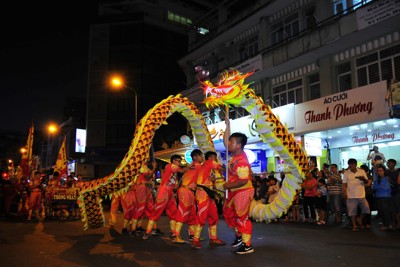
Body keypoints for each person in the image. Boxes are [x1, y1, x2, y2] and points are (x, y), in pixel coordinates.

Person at [221, 124, 255, 254]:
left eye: (231, 141)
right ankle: (240, 237)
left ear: (239, 145)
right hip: (234, 191)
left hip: (242, 190)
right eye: (229, 141)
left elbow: (243, 180)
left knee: (242, 217)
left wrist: (226, 185)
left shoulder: (241, 161)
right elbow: (233, 174)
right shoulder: (234, 157)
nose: (228, 143)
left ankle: (247, 245)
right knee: (230, 214)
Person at [142, 155, 188, 240]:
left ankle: (173, 233)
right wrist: (190, 166)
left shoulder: (173, 170)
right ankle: (147, 232)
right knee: (157, 212)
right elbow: (182, 170)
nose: (179, 163)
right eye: (178, 161)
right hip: (164, 191)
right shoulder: (171, 166)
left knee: (173, 212)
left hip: (169, 192)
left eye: (180, 161)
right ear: (173, 161)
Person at [192, 150, 226, 249]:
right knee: (201, 216)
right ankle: (195, 240)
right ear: (211, 158)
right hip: (203, 193)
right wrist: (232, 170)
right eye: (216, 158)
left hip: (208, 194)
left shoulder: (207, 167)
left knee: (214, 216)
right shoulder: (210, 162)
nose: (216, 160)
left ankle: (213, 238)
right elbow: (221, 168)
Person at [172, 149, 202, 244]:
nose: (202, 158)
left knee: (192, 214)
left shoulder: (192, 166)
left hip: (189, 191)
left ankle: (192, 235)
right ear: (195, 157)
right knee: (183, 213)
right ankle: (176, 236)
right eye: (201, 156)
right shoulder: (197, 166)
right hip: (186, 191)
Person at [130, 161, 159, 236]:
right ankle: (133, 230)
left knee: (151, 208)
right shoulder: (142, 165)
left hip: (147, 189)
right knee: (140, 208)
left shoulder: (146, 166)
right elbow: (148, 177)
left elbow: (149, 180)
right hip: (142, 189)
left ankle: (154, 228)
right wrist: (154, 168)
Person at [342, 158, 370, 231]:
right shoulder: (346, 173)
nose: (350, 165)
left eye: (352, 164)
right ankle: (354, 226)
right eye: (349, 164)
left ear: (355, 164)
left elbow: (366, 182)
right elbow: (344, 184)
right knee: (352, 212)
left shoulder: (362, 171)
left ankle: (360, 219)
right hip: (351, 195)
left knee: (366, 208)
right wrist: (344, 192)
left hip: (361, 195)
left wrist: (363, 179)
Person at [373, 164, 392, 230]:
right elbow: (374, 187)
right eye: (378, 171)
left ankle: (387, 225)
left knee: (385, 211)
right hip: (379, 197)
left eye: (381, 170)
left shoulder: (387, 178)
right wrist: (380, 187)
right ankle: (386, 224)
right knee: (382, 211)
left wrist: (378, 187)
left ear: (384, 171)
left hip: (385, 197)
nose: (379, 172)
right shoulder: (378, 179)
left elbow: (386, 188)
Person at [386, 159, 400, 230]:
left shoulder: (397, 172)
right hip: (388, 193)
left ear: (394, 164)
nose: (388, 164)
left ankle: (398, 224)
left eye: (390, 163)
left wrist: (390, 181)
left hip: (396, 192)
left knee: (398, 209)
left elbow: (398, 183)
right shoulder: (386, 172)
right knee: (391, 210)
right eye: (387, 163)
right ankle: (393, 224)